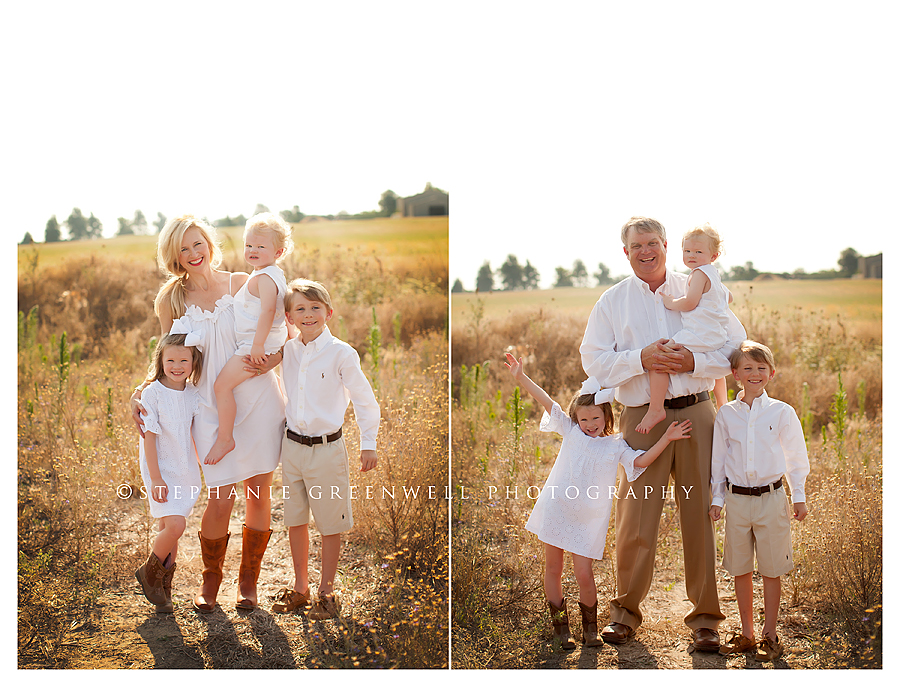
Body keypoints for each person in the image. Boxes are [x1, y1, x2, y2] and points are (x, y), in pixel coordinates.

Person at [579, 216, 746, 652]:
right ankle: (624, 614)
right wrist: (641, 358)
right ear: (626, 251)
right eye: (637, 246)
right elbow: (593, 361)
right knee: (636, 516)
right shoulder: (612, 301)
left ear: (667, 245)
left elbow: (736, 351)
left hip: (698, 413)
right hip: (641, 418)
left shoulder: (699, 289)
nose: (646, 251)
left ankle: (706, 620)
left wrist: (694, 364)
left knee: (700, 516)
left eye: (653, 243)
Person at [131, 214, 286, 612]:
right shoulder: (171, 298)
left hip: (258, 399)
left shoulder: (243, 283)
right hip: (207, 408)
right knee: (219, 498)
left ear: (210, 244)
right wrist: (143, 390)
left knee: (256, 493)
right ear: (174, 255)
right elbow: (167, 356)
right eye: (184, 248)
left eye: (198, 244)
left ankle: (248, 583)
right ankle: (210, 581)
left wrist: (273, 361)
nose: (193, 253)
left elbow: (284, 331)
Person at [505, 353, 693, 649]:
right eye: (583, 419)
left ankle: (589, 630)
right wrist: (520, 377)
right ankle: (560, 630)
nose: (590, 424)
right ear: (575, 419)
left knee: (584, 573)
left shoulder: (616, 445)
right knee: (553, 569)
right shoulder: (570, 432)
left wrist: (666, 438)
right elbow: (546, 401)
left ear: (607, 416)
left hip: (587, 519)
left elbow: (640, 462)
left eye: (595, 418)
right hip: (558, 508)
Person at [271, 279, 380, 619]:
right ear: (289, 317)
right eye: (300, 309)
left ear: (329, 312)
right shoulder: (289, 351)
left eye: (315, 307)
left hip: (327, 450)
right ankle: (301, 588)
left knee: (330, 524)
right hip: (292, 448)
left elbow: (365, 401)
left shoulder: (342, 354)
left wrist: (368, 444)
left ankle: (327, 593)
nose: (308, 314)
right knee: (295, 520)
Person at [710, 340, 810, 661]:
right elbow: (719, 458)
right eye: (748, 368)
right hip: (738, 500)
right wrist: (717, 497)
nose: (755, 373)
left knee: (770, 569)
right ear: (735, 373)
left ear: (771, 373)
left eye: (761, 368)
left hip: (771, 498)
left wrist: (800, 496)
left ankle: (769, 634)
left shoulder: (782, 412)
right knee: (740, 569)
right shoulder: (726, 414)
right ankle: (748, 634)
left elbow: (796, 455)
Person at [205, 212, 294, 465]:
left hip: (255, 345)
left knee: (221, 386)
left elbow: (268, 310)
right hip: (260, 342)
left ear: (278, 252)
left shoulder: (265, 277)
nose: (253, 250)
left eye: (261, 246)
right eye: (249, 245)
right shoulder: (272, 273)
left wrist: (256, 345)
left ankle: (225, 438)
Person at [637, 224, 732, 434]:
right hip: (715, 334)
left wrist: (671, 303)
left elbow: (689, 303)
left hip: (700, 333)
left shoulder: (698, 274)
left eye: (698, 252)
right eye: (687, 251)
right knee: (714, 368)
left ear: (713, 255)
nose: (691, 255)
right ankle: (723, 403)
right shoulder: (714, 275)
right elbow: (729, 297)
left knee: (659, 357)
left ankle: (655, 409)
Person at [134, 331, 203, 614]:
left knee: (169, 530)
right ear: (160, 361)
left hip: (184, 467)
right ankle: (148, 573)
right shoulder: (153, 394)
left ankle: (163, 589)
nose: (177, 366)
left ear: (193, 362)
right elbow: (149, 437)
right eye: (170, 359)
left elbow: (199, 431)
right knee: (176, 526)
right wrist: (157, 477)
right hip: (160, 467)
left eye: (183, 360)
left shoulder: (193, 394)